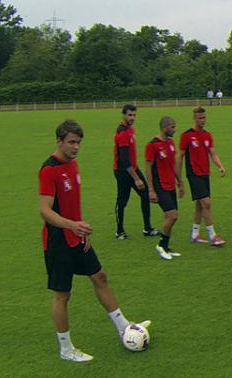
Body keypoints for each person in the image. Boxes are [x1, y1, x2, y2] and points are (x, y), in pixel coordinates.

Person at [40, 120, 151, 362]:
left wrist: (81, 229)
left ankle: (124, 327)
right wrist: (72, 225)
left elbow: (72, 204)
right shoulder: (49, 169)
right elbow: (45, 210)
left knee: (100, 276)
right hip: (58, 241)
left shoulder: (73, 165)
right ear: (59, 141)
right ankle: (66, 349)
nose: (76, 147)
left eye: (78, 142)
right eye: (71, 142)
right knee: (62, 295)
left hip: (77, 237)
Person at [178, 107, 226, 247]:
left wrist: (220, 165)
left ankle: (194, 234)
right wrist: (179, 177)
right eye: (200, 118)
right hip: (193, 173)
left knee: (200, 205)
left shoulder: (207, 135)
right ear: (194, 118)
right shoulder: (186, 136)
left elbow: (212, 153)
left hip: (205, 174)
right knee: (206, 203)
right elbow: (180, 156)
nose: (202, 120)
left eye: (204, 118)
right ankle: (213, 236)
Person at [113, 104, 156, 240]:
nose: (132, 118)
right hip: (123, 171)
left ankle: (147, 228)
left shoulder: (130, 129)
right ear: (123, 115)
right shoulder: (123, 133)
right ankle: (119, 231)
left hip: (132, 168)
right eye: (130, 115)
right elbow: (124, 160)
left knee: (145, 195)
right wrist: (136, 178)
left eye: (134, 115)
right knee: (122, 200)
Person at [145, 116, 184, 260]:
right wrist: (150, 190)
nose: (175, 129)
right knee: (172, 215)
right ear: (165, 127)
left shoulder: (171, 143)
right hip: (159, 185)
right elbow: (148, 169)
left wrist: (180, 181)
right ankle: (161, 245)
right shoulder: (152, 145)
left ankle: (166, 246)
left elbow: (173, 164)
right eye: (172, 127)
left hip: (170, 185)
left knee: (170, 217)